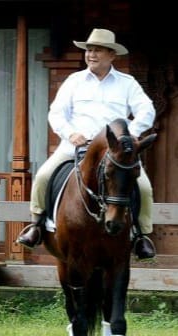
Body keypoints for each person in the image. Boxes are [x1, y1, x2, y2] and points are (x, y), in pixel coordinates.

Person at [17, 28, 157, 260]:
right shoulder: (74, 81)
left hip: (115, 152)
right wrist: (70, 133)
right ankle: (36, 226)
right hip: (75, 147)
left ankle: (141, 236)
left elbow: (147, 110)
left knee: (144, 187)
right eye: (89, 50)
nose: (91, 54)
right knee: (42, 176)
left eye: (98, 50)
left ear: (112, 55)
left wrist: (126, 136)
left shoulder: (127, 83)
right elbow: (56, 113)